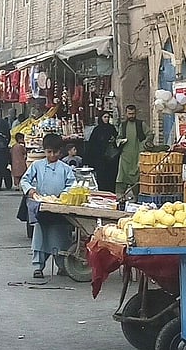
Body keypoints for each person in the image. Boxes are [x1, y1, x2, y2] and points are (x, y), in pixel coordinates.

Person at [20, 133, 76, 283]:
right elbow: (25, 180)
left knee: (61, 237)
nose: (52, 155)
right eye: (49, 152)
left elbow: (71, 185)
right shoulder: (37, 166)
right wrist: (31, 190)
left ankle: (62, 265)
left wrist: (63, 196)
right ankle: (38, 266)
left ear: (61, 152)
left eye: (55, 152)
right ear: (44, 151)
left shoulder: (66, 169)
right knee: (40, 237)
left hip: (59, 207)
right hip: (41, 206)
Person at [115, 105, 152, 196]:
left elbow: (150, 134)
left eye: (133, 114)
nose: (131, 116)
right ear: (126, 114)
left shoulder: (141, 124)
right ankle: (120, 197)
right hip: (125, 156)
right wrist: (120, 141)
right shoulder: (123, 125)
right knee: (121, 177)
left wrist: (144, 143)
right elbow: (118, 138)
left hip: (137, 155)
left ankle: (137, 197)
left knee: (137, 177)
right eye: (129, 114)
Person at [86, 112, 118, 191]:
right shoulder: (97, 129)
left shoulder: (111, 128)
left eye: (108, 117)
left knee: (111, 177)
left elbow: (117, 139)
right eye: (105, 117)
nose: (106, 119)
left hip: (111, 159)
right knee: (101, 178)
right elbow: (92, 144)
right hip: (100, 158)